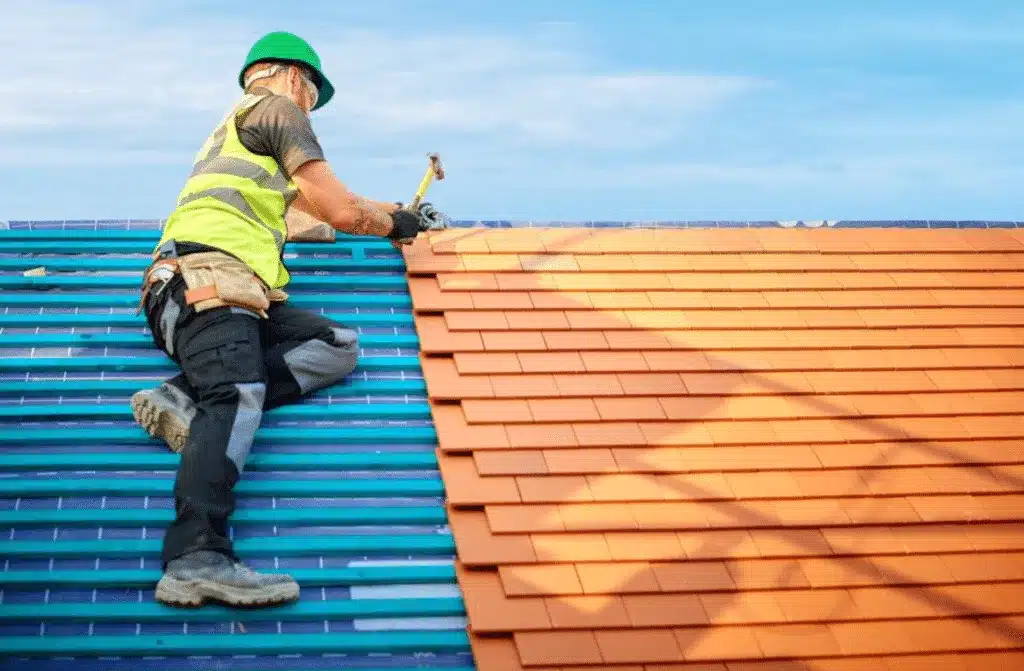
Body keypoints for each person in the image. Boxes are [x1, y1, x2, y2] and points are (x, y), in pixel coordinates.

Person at [130, 31, 445, 609]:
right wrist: (396, 228)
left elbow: (317, 212)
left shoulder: (244, 143)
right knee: (239, 392)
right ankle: (196, 555)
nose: (309, 107)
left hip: (230, 293)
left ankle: (184, 395)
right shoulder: (275, 110)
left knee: (335, 346)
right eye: (311, 93)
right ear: (288, 75)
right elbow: (341, 209)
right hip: (206, 281)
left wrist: (399, 213)